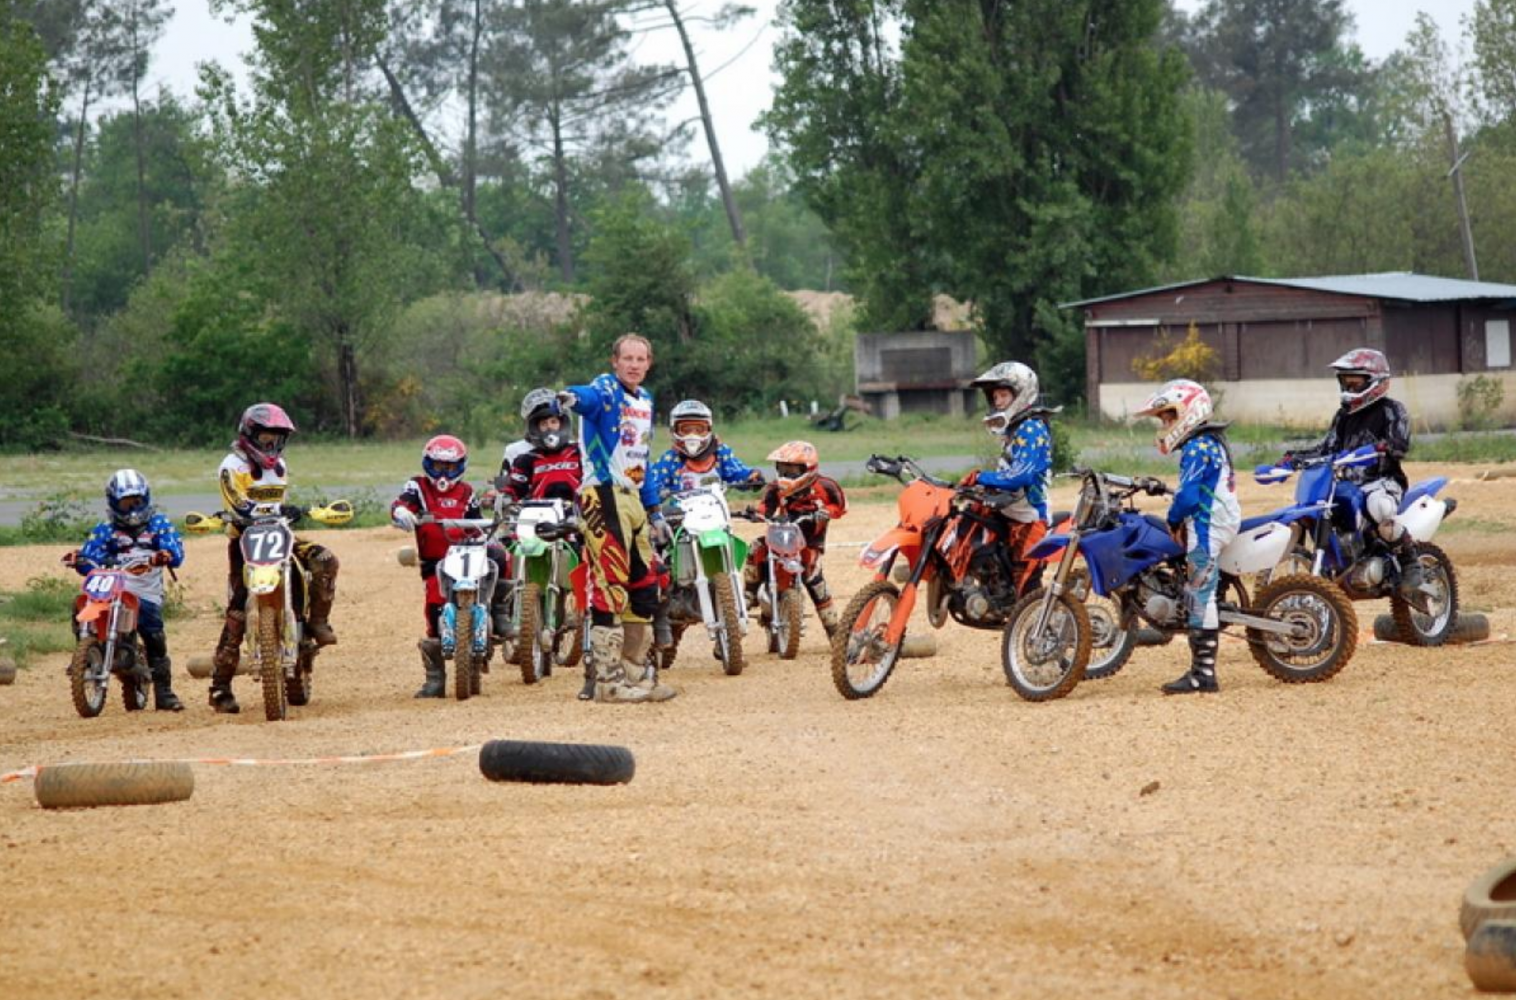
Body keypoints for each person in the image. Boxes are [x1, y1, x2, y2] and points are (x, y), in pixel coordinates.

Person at [559, 334, 674, 703]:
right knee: (610, 583)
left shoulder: (646, 400)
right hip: (603, 493)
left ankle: (636, 673)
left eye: (641, 358)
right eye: (627, 358)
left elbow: (643, 459)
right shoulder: (606, 389)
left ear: (649, 362)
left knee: (644, 583)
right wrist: (571, 397)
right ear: (614, 361)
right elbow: (589, 397)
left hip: (634, 498)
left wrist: (655, 509)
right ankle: (606, 680)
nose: (634, 365)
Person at [207, 403, 340, 714]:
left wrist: (295, 511)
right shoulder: (232, 466)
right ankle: (220, 685)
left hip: (281, 536)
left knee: (325, 559)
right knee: (238, 610)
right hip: (245, 540)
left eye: (276, 440)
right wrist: (252, 514)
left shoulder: (279, 467)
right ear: (249, 435)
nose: (271, 446)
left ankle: (317, 622)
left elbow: (281, 503)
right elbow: (236, 502)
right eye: (266, 439)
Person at [1136, 379, 1241, 695]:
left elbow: (1188, 497)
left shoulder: (1198, 446)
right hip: (1213, 519)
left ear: (1190, 411)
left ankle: (1203, 674)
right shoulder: (1209, 442)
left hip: (1208, 523)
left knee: (1199, 592)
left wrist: (1172, 518)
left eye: (1169, 416)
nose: (1166, 424)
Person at [1284, 348, 1420, 594]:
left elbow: (1400, 445)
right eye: (1345, 382)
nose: (1349, 388)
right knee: (1318, 506)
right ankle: (1338, 561)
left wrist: (1381, 447)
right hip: (1347, 483)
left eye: (1355, 383)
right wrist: (1292, 458)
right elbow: (1326, 449)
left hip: (1383, 481)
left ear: (1374, 382)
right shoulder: (1343, 416)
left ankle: (1411, 563)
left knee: (1380, 507)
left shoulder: (1392, 410)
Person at [391, 435, 510, 698]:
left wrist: (486, 534)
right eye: (438, 466)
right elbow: (401, 502)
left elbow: (477, 524)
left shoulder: (467, 492)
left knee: (501, 555)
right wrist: (401, 513)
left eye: (449, 467)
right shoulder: (418, 486)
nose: (443, 473)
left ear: (460, 466)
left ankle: (500, 611)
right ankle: (435, 679)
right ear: (427, 464)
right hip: (435, 561)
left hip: (466, 554)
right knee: (434, 614)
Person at [643, 399, 765, 648]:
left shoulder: (721, 455)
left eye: (699, 429)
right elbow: (652, 485)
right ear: (674, 431)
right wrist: (655, 498)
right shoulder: (670, 460)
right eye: (686, 429)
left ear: (709, 429)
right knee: (659, 558)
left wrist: (751, 477)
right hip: (681, 523)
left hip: (713, 519)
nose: (692, 437)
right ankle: (665, 613)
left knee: (732, 551)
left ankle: (729, 627)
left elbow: (739, 473)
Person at [67, 469, 186, 711]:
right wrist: (80, 559)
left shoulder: (159, 525)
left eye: (137, 501)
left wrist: (165, 555)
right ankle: (85, 657)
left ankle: (164, 692)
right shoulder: (105, 529)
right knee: (79, 606)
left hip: (145, 592)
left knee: (153, 635)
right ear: (114, 502)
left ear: (146, 499)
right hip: (109, 589)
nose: (132, 508)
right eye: (126, 502)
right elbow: (90, 556)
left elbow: (176, 553)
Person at [958, 362, 1057, 588]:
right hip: (1006, 511)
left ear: (1022, 394)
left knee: (1025, 589)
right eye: (994, 396)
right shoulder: (1015, 428)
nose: (998, 401)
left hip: (1029, 518)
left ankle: (1041, 620)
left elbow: (1019, 477)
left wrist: (981, 477)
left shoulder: (1032, 428)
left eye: (1003, 395)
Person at [741, 440, 847, 637]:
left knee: (815, 580)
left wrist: (826, 512)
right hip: (779, 537)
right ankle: (749, 592)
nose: (786, 475)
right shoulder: (775, 488)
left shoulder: (826, 486)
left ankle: (836, 633)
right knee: (755, 547)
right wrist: (757, 513)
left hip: (810, 541)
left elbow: (841, 505)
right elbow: (767, 507)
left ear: (809, 468)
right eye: (783, 469)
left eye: (792, 470)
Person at [503, 388, 584, 504]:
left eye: (553, 422)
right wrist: (499, 493)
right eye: (544, 424)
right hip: (538, 513)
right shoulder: (517, 452)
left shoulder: (578, 451)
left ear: (562, 422)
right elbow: (505, 480)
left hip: (576, 513)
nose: (549, 427)